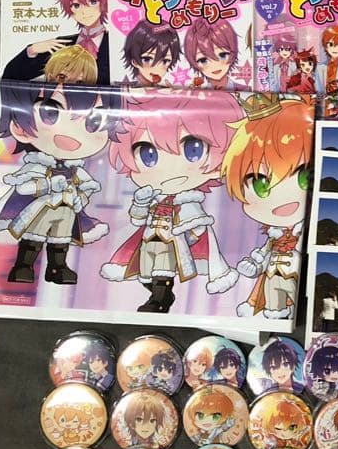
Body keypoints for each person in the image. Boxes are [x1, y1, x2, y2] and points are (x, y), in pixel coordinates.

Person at [100, 89, 241, 312]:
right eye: (148, 154)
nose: (169, 167)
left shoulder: (188, 201)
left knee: (163, 271)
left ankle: (160, 300)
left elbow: (197, 226)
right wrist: (141, 204)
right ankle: (158, 296)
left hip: (172, 242)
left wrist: (188, 236)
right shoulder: (152, 197)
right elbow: (137, 219)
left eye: (192, 150)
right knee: (144, 270)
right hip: (149, 239)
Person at [0, 81, 116, 285]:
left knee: (61, 239)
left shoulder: (75, 169)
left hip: (67, 209)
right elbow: (25, 187)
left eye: (93, 122)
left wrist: (81, 197)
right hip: (43, 207)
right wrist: (48, 185)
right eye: (51, 113)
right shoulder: (39, 164)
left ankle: (57, 267)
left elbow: (85, 186)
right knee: (34, 236)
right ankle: (24, 266)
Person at [221, 94, 313, 318]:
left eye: (302, 176)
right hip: (273, 275)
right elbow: (263, 253)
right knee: (274, 310)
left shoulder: (307, 229)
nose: (283, 194)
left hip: (298, 277)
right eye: (261, 184)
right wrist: (255, 264)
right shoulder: (274, 235)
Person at [3, 0, 111, 85]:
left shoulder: (115, 44)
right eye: (76, 5)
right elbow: (10, 77)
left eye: (93, 1)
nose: (84, 11)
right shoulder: (61, 44)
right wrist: (32, 50)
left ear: (105, 2)